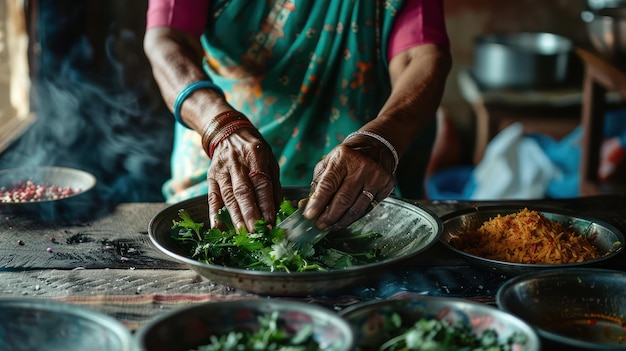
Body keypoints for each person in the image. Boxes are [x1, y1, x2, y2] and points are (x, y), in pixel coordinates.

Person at [143, 0, 451, 233]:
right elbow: (168, 40)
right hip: (224, 161)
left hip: (361, 175)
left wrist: (381, 140)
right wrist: (221, 128)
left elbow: (420, 55)